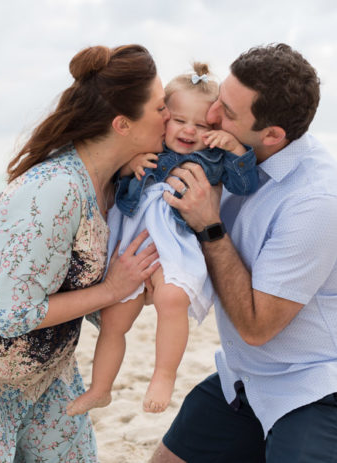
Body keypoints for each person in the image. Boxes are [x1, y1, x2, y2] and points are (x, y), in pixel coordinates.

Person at [0, 44, 169, 463]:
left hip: (47, 378)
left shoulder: (117, 189)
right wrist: (114, 287)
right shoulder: (53, 190)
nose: (170, 116)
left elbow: (92, 295)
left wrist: (141, 287)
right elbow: (7, 312)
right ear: (123, 124)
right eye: (161, 107)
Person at [150, 43, 337, 462]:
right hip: (248, 377)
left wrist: (210, 227)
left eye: (227, 112)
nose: (211, 116)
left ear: (273, 135)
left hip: (321, 383)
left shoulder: (318, 200)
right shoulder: (228, 157)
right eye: (219, 100)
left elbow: (258, 327)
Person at [67, 62, 258, 416]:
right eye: (179, 119)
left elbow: (245, 185)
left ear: (214, 128)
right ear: (163, 117)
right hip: (132, 247)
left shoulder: (213, 159)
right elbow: (115, 183)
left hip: (176, 247)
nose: (189, 130)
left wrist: (234, 149)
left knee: (172, 300)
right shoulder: (145, 150)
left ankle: (164, 375)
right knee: (114, 321)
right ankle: (100, 388)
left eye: (202, 125)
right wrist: (129, 167)